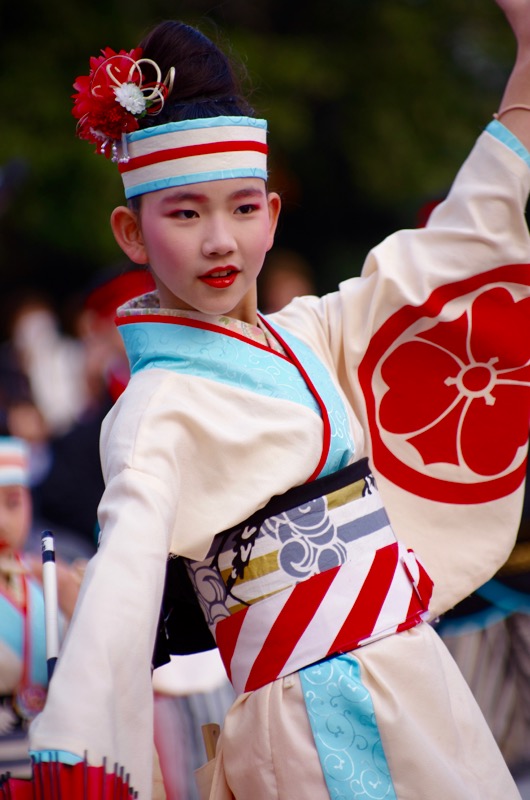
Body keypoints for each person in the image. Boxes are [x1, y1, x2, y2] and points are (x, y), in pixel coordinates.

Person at [17, 1, 530, 798]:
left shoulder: (312, 333)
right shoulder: (156, 406)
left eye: (242, 208)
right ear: (130, 230)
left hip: (410, 676)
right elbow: (124, 573)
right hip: (316, 717)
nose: (220, 240)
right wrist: (82, 748)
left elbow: (456, 249)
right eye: (185, 214)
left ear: (273, 215)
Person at [0, 436, 81, 779]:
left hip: (54, 765)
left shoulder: (49, 578)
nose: (2, 521)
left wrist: (69, 593)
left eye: (13, 503)